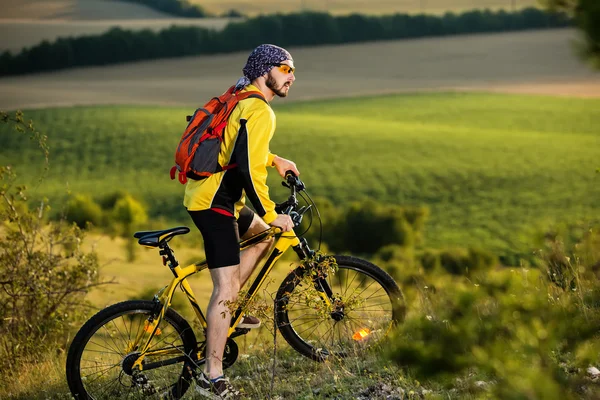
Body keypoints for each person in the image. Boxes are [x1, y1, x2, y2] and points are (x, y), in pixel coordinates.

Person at [184, 44, 299, 399]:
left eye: (293, 71)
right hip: (214, 203)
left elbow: (240, 148)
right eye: (284, 69)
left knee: (264, 238)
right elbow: (247, 170)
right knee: (226, 288)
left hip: (217, 196)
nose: (291, 77)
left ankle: (235, 311)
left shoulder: (242, 97)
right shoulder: (260, 110)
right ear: (265, 70)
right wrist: (270, 212)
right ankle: (211, 375)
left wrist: (275, 159)